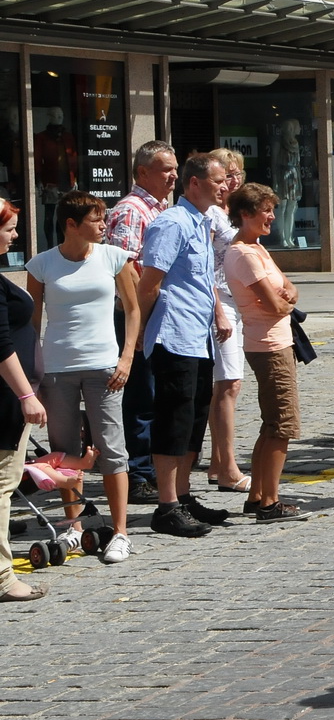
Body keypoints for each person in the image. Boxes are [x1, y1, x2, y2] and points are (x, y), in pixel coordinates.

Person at [25, 191, 139, 563]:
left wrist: (126, 358)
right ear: (71, 224)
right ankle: (74, 527)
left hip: (105, 367)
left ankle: (120, 532)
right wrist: (32, 378)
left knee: (112, 448)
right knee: (66, 454)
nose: (104, 225)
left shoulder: (113, 257)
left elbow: (134, 310)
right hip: (57, 369)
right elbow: (32, 323)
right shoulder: (41, 265)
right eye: (96, 219)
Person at [136, 153, 235, 538]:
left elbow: (201, 278)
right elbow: (149, 283)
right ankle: (166, 506)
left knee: (195, 418)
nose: (225, 185)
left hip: (198, 335)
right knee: (173, 419)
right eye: (218, 179)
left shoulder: (202, 221)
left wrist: (218, 314)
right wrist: (139, 330)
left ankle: (183, 494)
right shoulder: (171, 223)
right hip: (173, 333)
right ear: (194, 184)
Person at [224, 183, 305, 521]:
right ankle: (270, 502)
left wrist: (286, 297)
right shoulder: (242, 253)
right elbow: (275, 305)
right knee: (282, 424)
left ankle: (258, 495)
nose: (272, 216)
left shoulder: (257, 248)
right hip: (268, 345)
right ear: (246, 214)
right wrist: (284, 300)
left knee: (271, 423)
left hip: (277, 341)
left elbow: (291, 289)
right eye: (266, 210)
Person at [105, 139, 176, 500]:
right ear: (143, 172)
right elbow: (126, 267)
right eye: (166, 169)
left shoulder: (160, 208)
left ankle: (150, 466)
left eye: (175, 168)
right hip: (134, 316)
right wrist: (140, 319)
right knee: (140, 396)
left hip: (154, 315)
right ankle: (138, 474)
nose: (174, 175)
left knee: (154, 394)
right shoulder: (133, 210)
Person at [2, 200, 51, 602]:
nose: (16, 235)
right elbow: (1, 345)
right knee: (2, 486)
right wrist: (26, 395)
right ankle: (3, 577)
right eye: (10, 228)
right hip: (5, 402)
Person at [202, 149, 250, 494]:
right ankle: (228, 467)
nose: (231, 182)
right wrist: (218, 307)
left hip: (237, 300)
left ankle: (219, 462)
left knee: (228, 383)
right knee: (228, 381)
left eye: (236, 175)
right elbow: (204, 266)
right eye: (225, 176)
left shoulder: (233, 211)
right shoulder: (211, 214)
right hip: (219, 301)